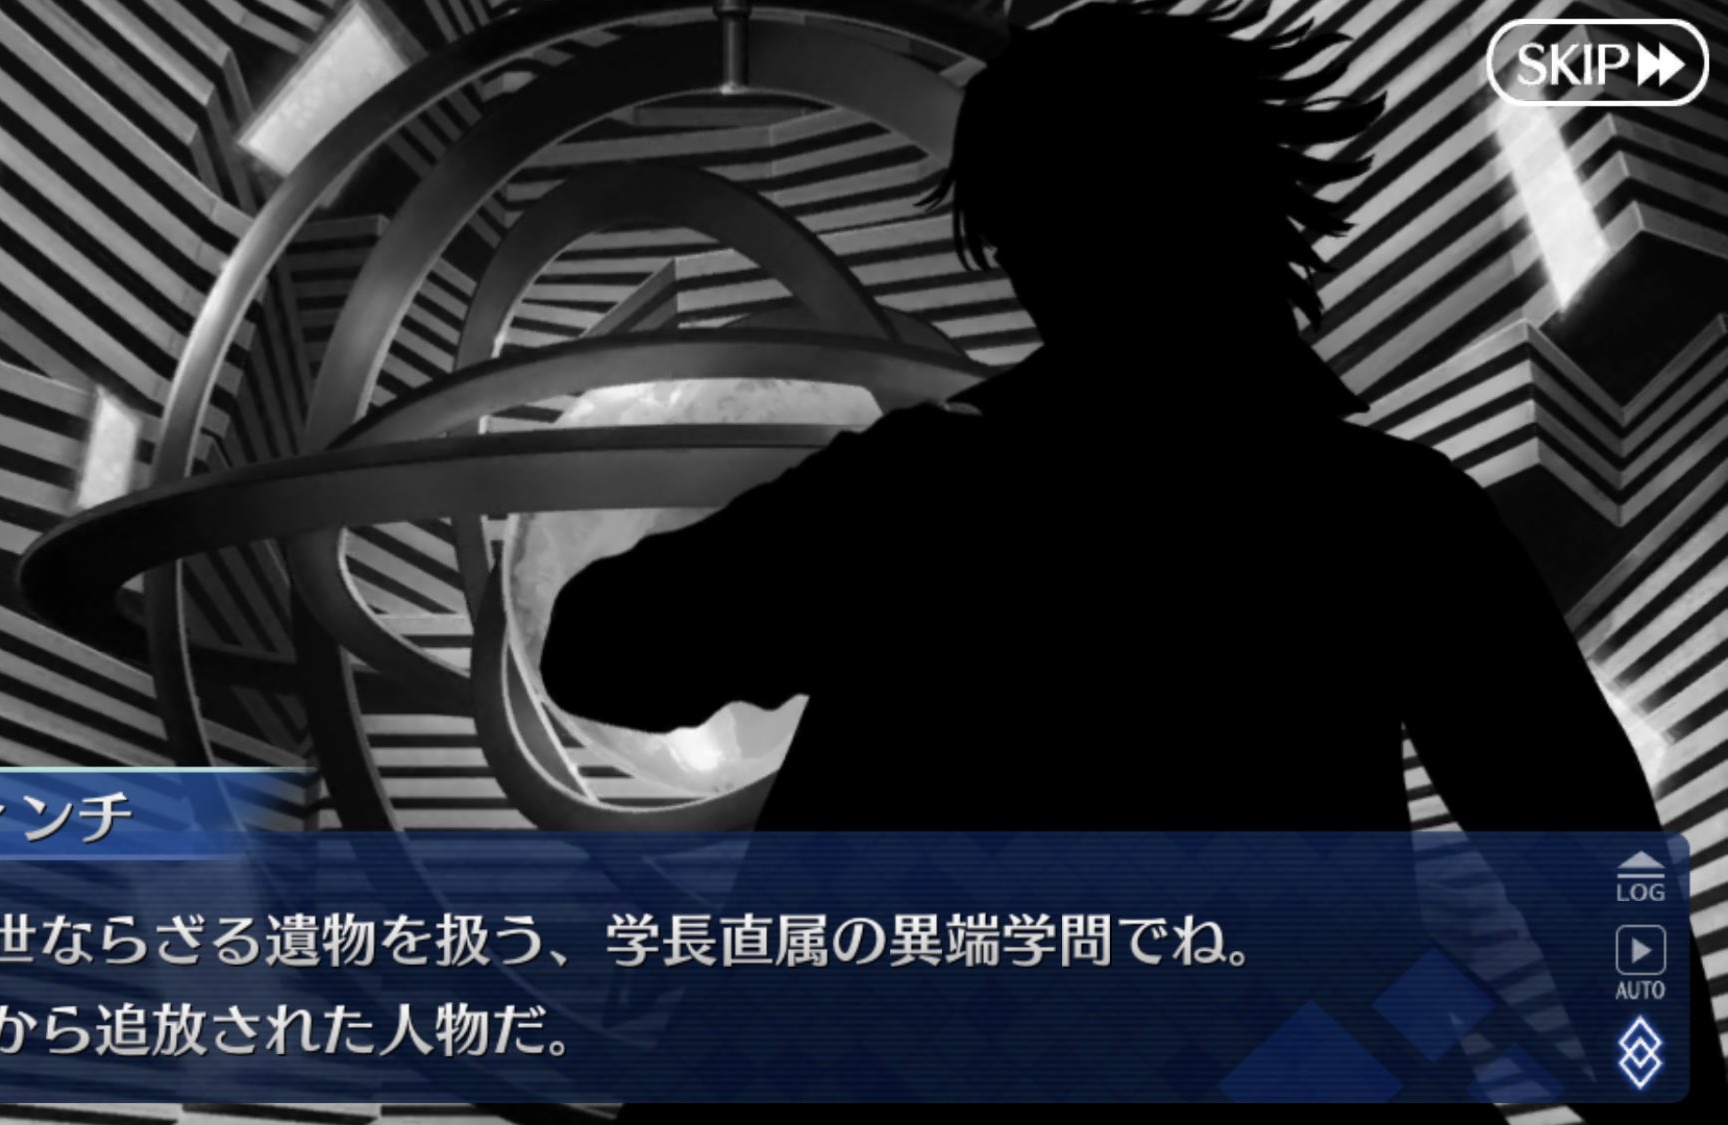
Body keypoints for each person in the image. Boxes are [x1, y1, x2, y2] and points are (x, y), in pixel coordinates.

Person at [540, 1, 1724, 1118]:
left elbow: (605, 652)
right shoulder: (1387, 513)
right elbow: (1589, 863)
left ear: (1032, 246)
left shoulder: (926, 491)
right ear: (1252, 208)